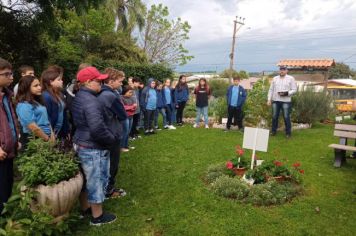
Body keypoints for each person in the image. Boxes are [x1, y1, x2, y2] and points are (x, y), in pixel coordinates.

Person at [71, 66, 119, 225]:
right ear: (88, 82)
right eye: (99, 80)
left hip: (81, 142)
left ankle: (85, 208)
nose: (102, 82)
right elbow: (97, 128)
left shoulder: (80, 96)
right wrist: (111, 140)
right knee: (96, 181)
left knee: (86, 180)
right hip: (92, 147)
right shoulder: (91, 101)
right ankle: (97, 216)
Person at [97, 67, 127, 199]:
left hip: (104, 132)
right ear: (111, 81)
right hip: (112, 133)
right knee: (112, 164)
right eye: (120, 81)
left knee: (104, 163)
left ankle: (105, 188)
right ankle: (109, 190)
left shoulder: (99, 93)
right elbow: (122, 115)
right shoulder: (110, 95)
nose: (121, 84)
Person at [0, 58, 20, 214]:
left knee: (7, 186)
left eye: (11, 73)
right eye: (6, 74)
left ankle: (5, 219)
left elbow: (11, 121)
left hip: (9, 150)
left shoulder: (7, 95)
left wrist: (16, 139)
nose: (11, 77)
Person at [16, 75, 55, 147]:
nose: (39, 87)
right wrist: (47, 139)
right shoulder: (23, 105)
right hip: (34, 139)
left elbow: (46, 120)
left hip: (46, 137)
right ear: (26, 88)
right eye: (35, 86)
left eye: (39, 85)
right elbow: (32, 126)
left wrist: (52, 134)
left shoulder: (36, 101)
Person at [267, 66, 297, 138]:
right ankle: (273, 132)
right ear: (279, 71)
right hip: (276, 100)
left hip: (286, 101)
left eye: (283, 70)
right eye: (281, 70)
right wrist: (269, 99)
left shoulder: (291, 78)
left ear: (286, 71)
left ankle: (288, 133)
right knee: (274, 117)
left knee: (286, 117)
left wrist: (286, 93)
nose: (282, 71)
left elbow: (294, 89)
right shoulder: (275, 78)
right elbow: (271, 90)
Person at [40, 66, 69, 140]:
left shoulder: (60, 94)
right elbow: (47, 118)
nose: (62, 81)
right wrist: (51, 134)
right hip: (52, 134)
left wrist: (66, 131)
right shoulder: (46, 96)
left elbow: (63, 113)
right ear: (51, 82)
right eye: (59, 80)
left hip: (60, 133)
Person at [120, 85, 137, 151]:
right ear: (125, 92)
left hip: (131, 116)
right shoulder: (121, 98)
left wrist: (132, 107)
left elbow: (135, 107)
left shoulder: (132, 98)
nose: (131, 94)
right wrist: (131, 107)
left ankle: (126, 145)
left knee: (128, 131)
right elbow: (123, 107)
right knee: (125, 132)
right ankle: (122, 147)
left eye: (132, 92)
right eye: (130, 92)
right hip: (125, 117)